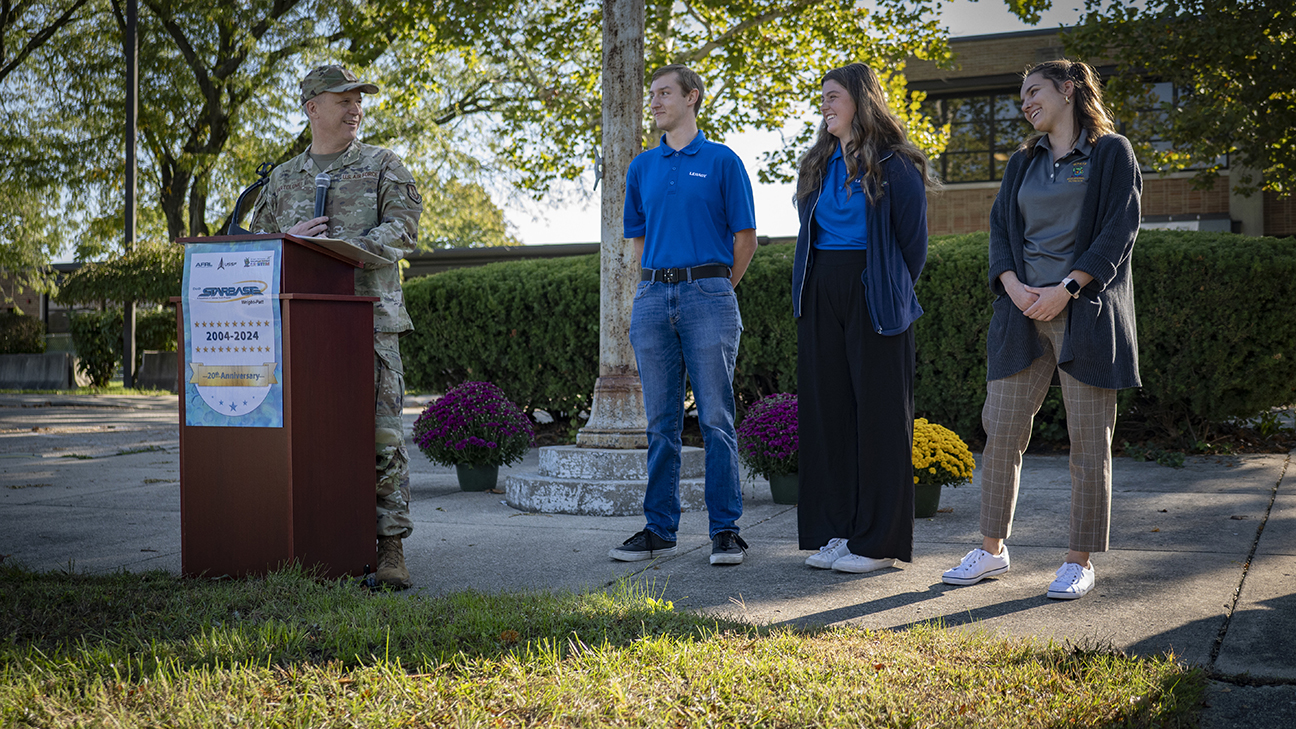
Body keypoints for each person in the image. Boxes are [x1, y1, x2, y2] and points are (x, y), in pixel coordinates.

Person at [941, 59, 1141, 600]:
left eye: (1034, 91)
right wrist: (1013, 286)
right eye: (1021, 95)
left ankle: (1078, 560)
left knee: (1088, 443)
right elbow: (1000, 230)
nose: (1025, 102)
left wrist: (1067, 289)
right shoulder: (1022, 162)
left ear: (1068, 90)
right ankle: (990, 549)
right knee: (1001, 431)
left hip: (1085, 316)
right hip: (1021, 315)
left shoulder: (1110, 153)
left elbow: (1119, 229)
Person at [250, 65, 423, 589]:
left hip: (369, 321)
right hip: (299, 331)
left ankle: (390, 549)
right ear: (312, 108)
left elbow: (403, 231)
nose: (355, 108)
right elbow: (255, 246)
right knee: (307, 435)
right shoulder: (281, 179)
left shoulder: (382, 166)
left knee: (382, 433)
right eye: (343, 99)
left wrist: (339, 252)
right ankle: (310, 538)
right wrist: (288, 238)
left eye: (359, 99)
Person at [608, 64, 759, 566]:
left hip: (708, 297)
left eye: (664, 93)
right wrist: (654, 289)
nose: (654, 101)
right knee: (660, 423)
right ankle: (659, 530)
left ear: (693, 97)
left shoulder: (721, 161)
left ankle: (726, 531)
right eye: (652, 94)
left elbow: (745, 240)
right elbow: (638, 241)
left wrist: (715, 290)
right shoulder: (642, 168)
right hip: (652, 300)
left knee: (716, 418)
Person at [791, 63, 935, 574]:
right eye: (822, 97)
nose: (825, 105)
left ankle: (877, 545)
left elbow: (911, 248)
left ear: (860, 100)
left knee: (878, 417)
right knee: (829, 415)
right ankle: (839, 532)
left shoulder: (896, 165)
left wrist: (886, 285)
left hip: (874, 293)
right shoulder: (818, 162)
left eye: (833, 96)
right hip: (820, 289)